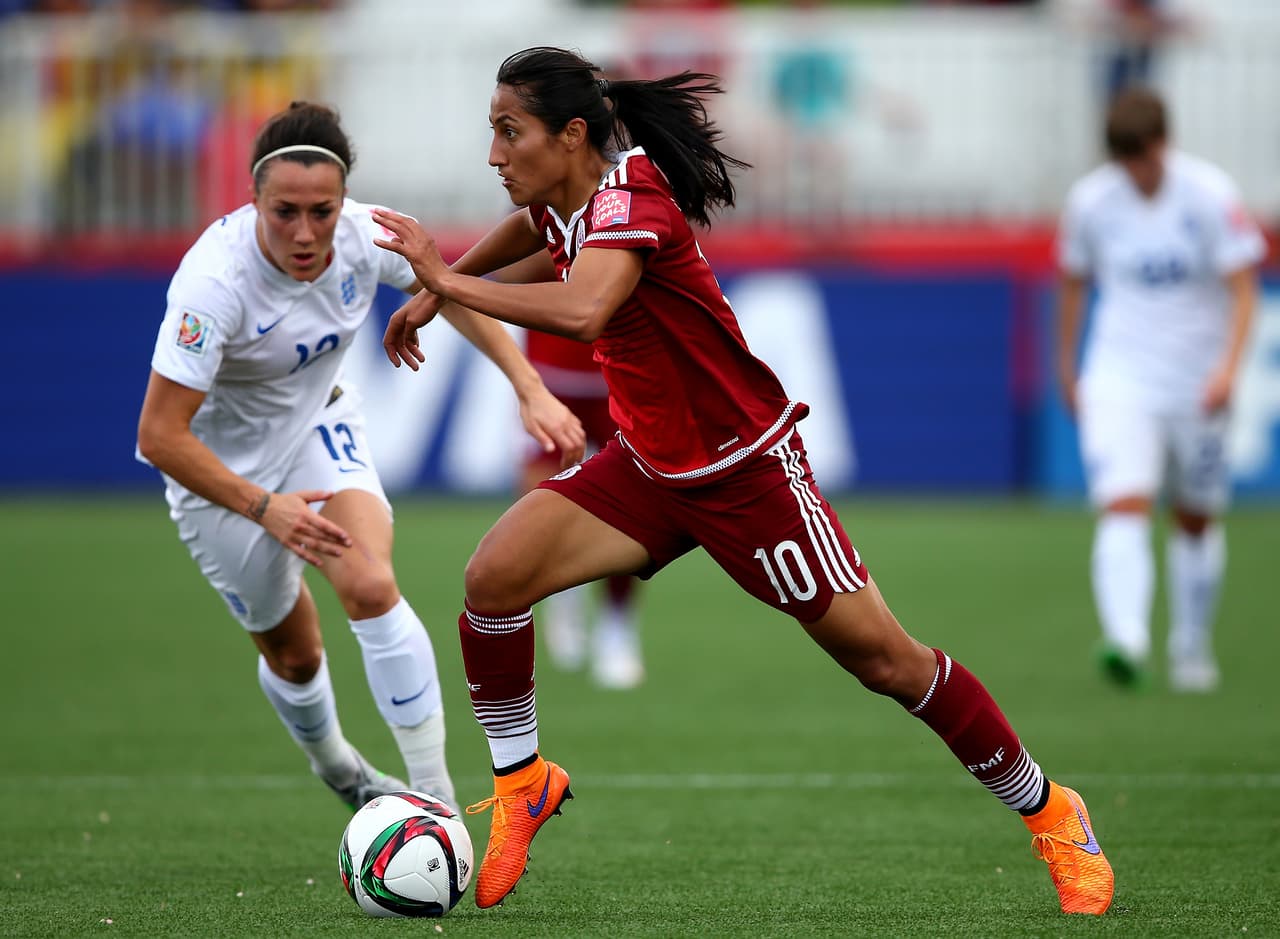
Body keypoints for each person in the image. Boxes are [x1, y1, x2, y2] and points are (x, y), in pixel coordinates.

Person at [372, 47, 1114, 915]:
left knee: (888, 662)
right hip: (651, 466)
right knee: (493, 578)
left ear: (571, 135)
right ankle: (522, 781)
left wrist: (444, 279)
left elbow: (584, 308)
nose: (494, 154)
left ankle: (1053, 811)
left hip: (746, 471)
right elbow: (539, 230)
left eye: (509, 132)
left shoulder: (631, 198)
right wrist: (452, 282)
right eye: (492, 132)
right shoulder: (571, 195)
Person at [135, 101, 585, 815]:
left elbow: (450, 292)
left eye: (322, 211)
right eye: (284, 212)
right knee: (295, 655)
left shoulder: (367, 234)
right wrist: (263, 507)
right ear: (253, 200)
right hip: (223, 474)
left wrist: (528, 386)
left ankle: (435, 801)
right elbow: (160, 436)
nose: (305, 232)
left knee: (371, 584)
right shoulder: (212, 285)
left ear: (343, 200)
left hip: (319, 425)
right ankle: (339, 767)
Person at [1055, 87, 1263, 692]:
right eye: (1124, 160)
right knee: (1124, 502)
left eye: (1142, 157)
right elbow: (1073, 284)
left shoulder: (1210, 195)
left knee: (1195, 516)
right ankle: (1126, 640)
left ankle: (1191, 644)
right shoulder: (1091, 202)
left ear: (1163, 145)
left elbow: (1244, 288)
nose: (1135, 172)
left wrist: (1228, 370)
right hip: (1121, 376)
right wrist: (1068, 367)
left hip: (1197, 382)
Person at [497, 253, 645, 689]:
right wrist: (560, 252)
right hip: (552, 381)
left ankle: (617, 628)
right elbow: (507, 274)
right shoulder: (542, 219)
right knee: (538, 506)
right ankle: (564, 594)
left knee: (631, 512)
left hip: (620, 378)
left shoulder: (626, 216)